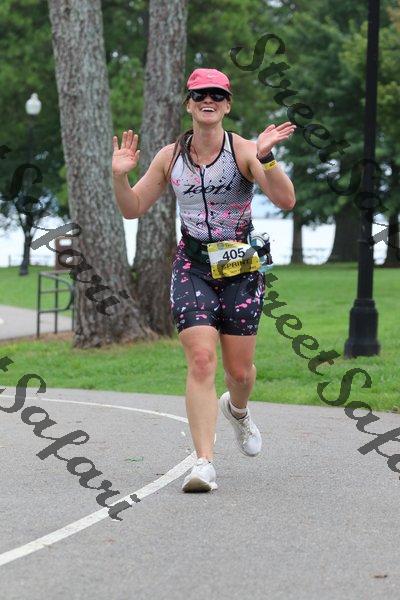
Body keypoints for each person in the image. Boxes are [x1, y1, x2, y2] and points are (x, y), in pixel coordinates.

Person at [112, 67, 296, 493]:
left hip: (239, 269)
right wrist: (120, 176)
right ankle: (204, 463)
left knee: (240, 372)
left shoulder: (245, 150)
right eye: (199, 95)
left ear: (227, 105)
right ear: (189, 105)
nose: (207, 100)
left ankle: (238, 410)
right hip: (192, 266)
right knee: (200, 359)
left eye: (216, 94)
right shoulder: (170, 157)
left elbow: (285, 199)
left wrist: (266, 158)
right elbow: (132, 208)